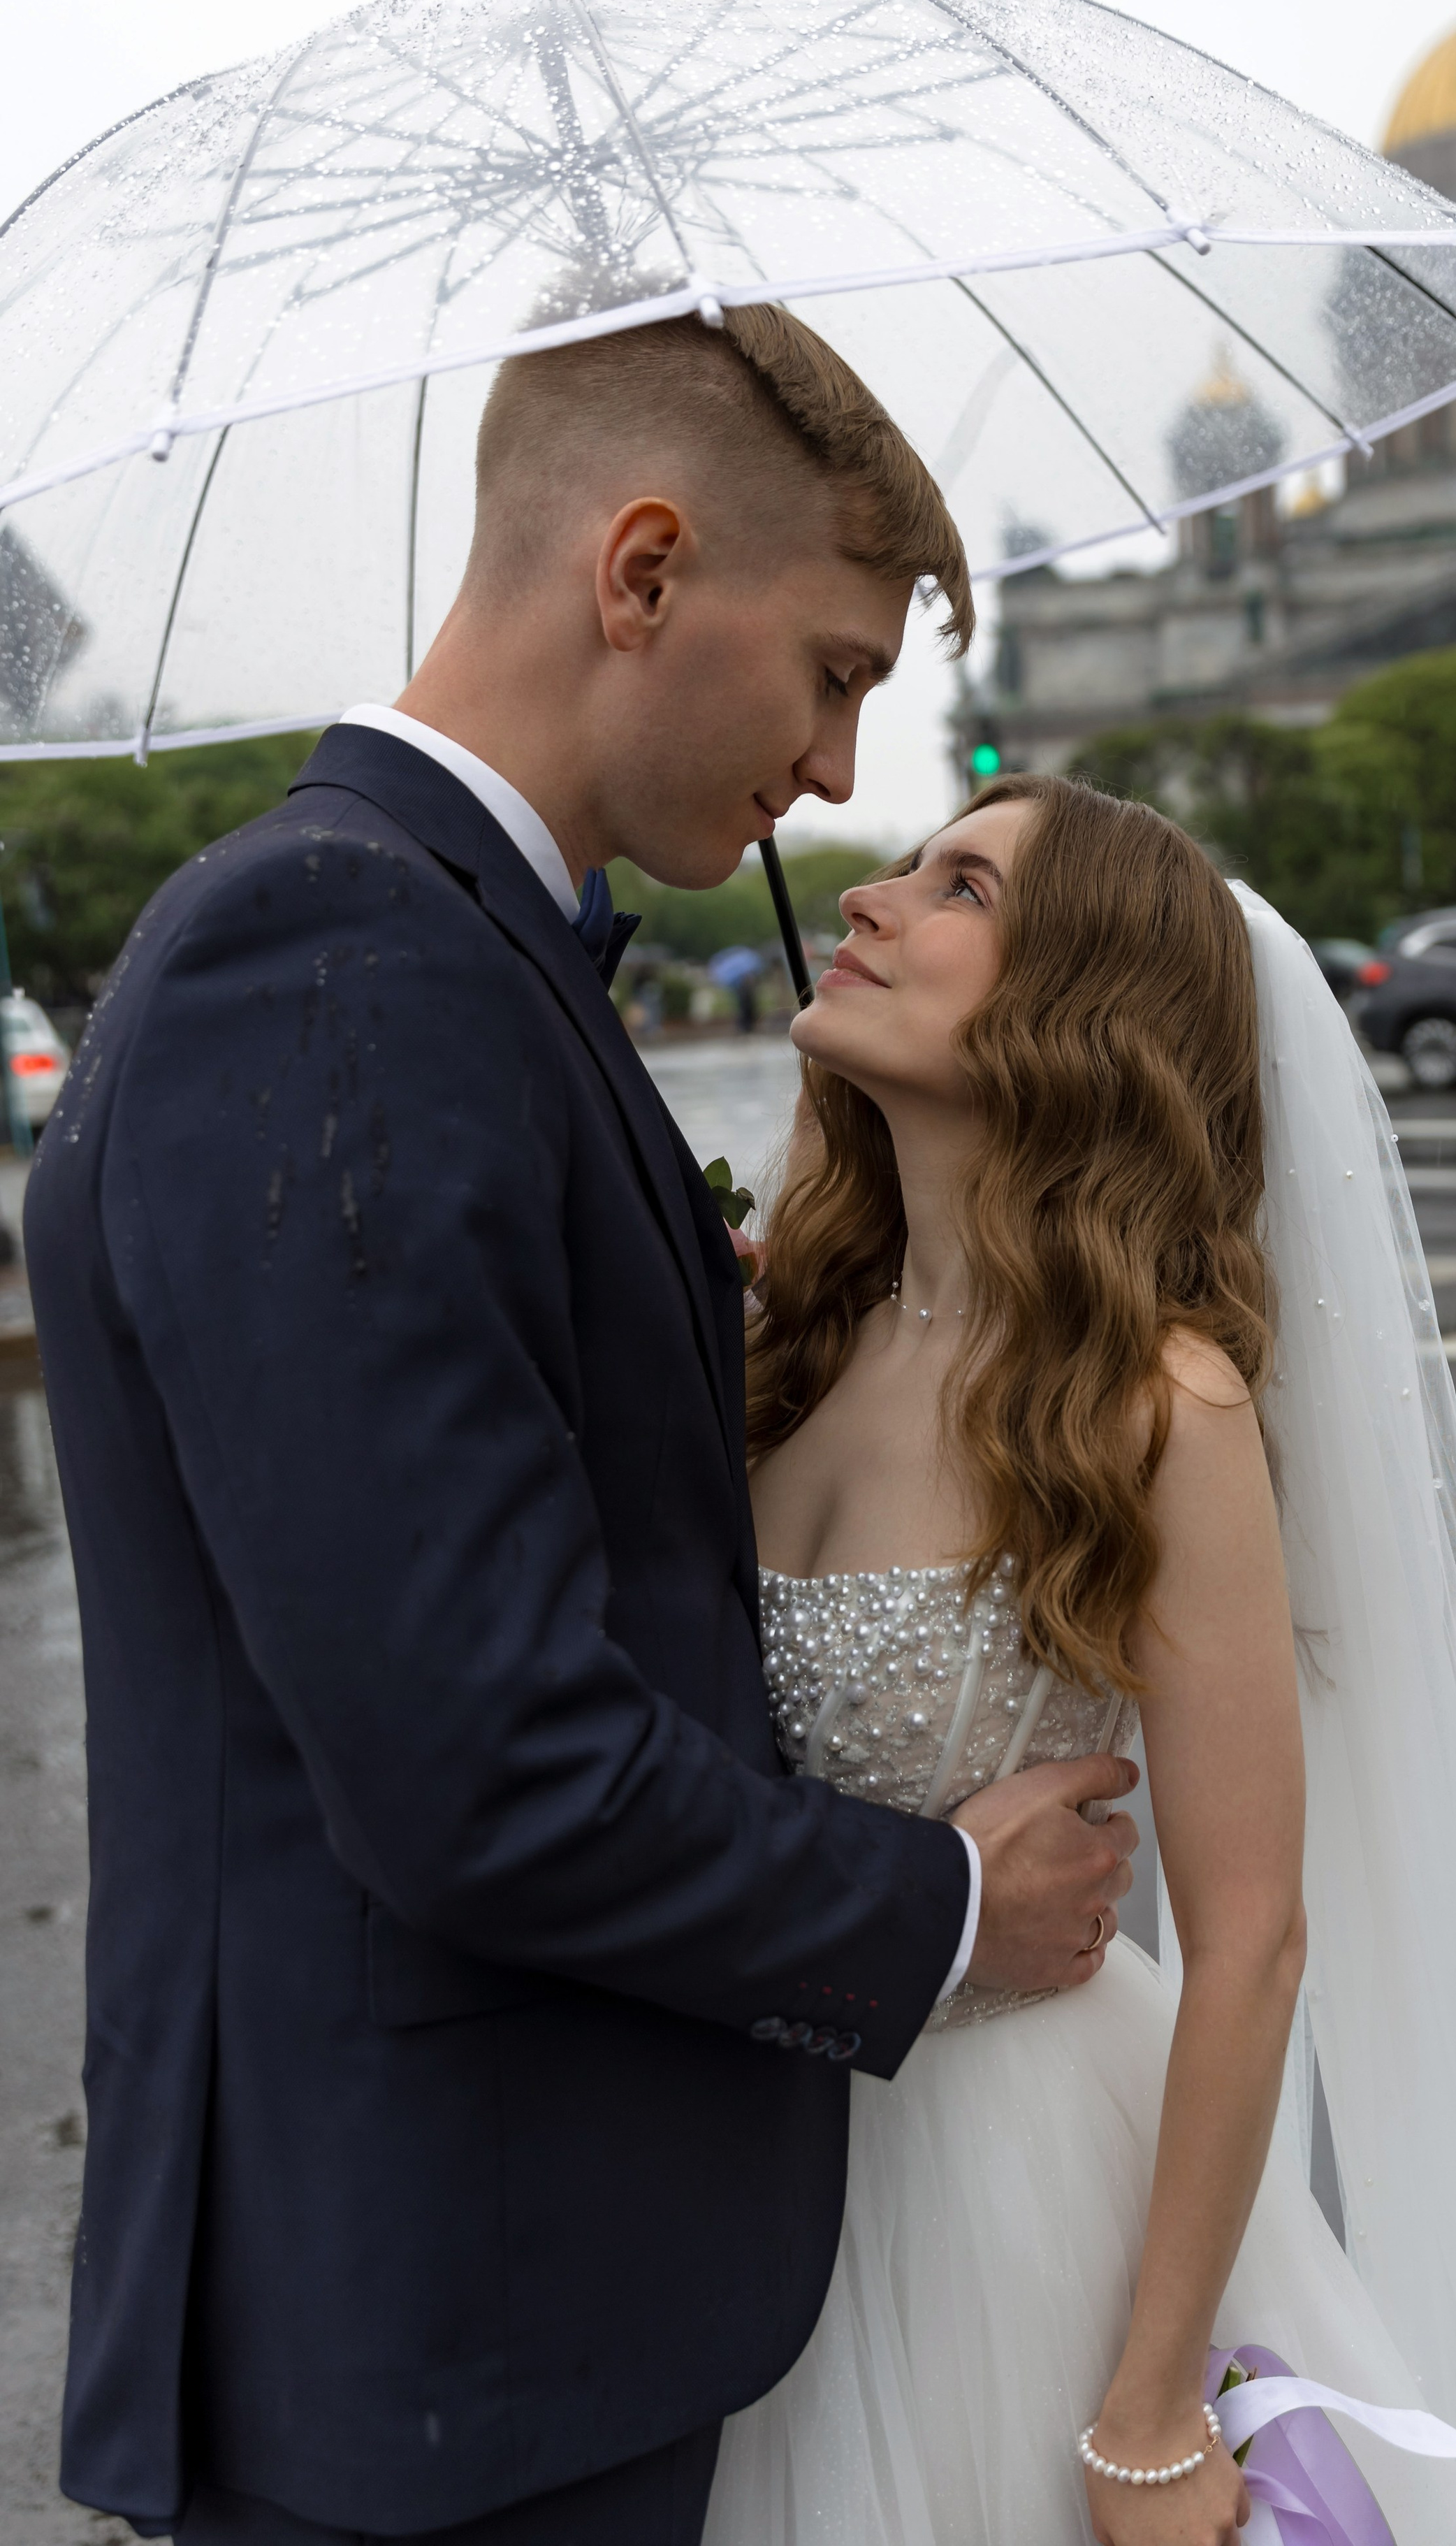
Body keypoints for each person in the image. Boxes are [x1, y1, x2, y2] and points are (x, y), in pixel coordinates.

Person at [26, 308, 1141, 2546]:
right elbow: (479, 1767)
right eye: (832, 670)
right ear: (639, 574)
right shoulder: (345, 971)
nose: (838, 777)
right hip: (445, 2332)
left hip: (489, 2306)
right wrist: (929, 1909)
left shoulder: (447, 950)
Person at [704, 774, 1456, 2546]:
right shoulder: (785, 1338)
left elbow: (1250, 1940)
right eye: (903, 869)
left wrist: (1150, 2411)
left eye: (957, 887)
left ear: (1077, 1011)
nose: (869, 902)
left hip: (1014, 2202)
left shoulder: (1158, 1404)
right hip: (746, 2184)